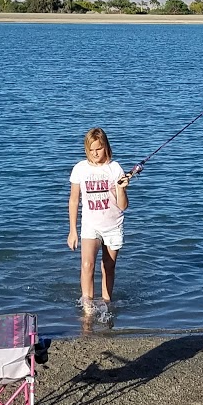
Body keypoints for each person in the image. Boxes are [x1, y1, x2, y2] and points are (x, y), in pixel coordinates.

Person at [67, 127, 132, 306]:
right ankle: (87, 308)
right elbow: (74, 201)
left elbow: (123, 206)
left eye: (99, 148)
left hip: (113, 226)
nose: (95, 153)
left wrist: (121, 188)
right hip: (90, 225)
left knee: (108, 267)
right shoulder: (80, 169)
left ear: (106, 147)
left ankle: (106, 304)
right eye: (91, 150)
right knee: (87, 266)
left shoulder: (115, 168)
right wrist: (73, 231)